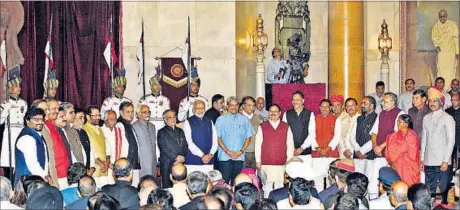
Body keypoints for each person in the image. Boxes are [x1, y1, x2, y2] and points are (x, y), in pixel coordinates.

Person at [421, 86, 456, 204]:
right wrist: (422, 159)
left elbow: (451, 141)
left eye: (435, 100)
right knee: (429, 193)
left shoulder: (448, 118)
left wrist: (446, 160)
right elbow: (424, 140)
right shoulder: (426, 118)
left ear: (441, 101)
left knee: (445, 194)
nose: (432, 103)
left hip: (443, 162)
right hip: (429, 161)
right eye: (430, 101)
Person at [369, 92, 403, 199]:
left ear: (393, 102)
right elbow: (374, 132)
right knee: (374, 178)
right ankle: (374, 201)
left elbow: (396, 134)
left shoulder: (400, 113)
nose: (382, 103)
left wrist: (382, 146)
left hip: (391, 153)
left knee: (389, 179)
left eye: (385, 101)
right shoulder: (381, 114)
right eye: (382, 101)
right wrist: (375, 146)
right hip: (378, 152)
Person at [256, 104, 294, 193]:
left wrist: (289, 160)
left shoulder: (286, 126)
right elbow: (258, 145)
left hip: (280, 162)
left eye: (275, 111)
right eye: (271, 111)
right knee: (266, 187)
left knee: (279, 186)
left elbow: (290, 144)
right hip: (266, 162)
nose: (273, 113)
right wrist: (258, 161)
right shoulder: (262, 126)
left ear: (280, 113)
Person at [216, 97, 255, 183]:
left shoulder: (244, 120)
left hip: (239, 156)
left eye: (236, 105)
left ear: (239, 106)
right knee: (224, 182)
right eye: (231, 105)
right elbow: (217, 138)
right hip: (224, 156)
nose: (233, 107)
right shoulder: (220, 119)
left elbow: (248, 137)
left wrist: (241, 151)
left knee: (237, 182)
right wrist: (227, 151)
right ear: (227, 106)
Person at [0, 73, 27, 177]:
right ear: (9, 89)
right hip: (9, 134)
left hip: (21, 132)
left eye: (19, 86)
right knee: (9, 160)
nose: (19, 88)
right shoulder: (4, 104)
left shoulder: (23, 103)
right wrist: (6, 108)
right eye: (15, 86)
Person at [14, 107, 49, 183]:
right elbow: (33, 165)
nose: (40, 122)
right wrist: (45, 176)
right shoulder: (26, 138)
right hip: (27, 183)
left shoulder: (38, 135)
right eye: (36, 119)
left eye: (42, 119)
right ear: (27, 121)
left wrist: (45, 174)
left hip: (37, 181)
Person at [282, 91, 316, 171]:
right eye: (293, 100)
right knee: (292, 176)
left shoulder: (309, 114)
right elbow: (284, 133)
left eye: (297, 99)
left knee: (305, 177)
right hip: (291, 152)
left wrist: (301, 148)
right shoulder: (287, 114)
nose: (295, 102)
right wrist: (291, 148)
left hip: (305, 152)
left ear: (303, 101)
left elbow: (312, 134)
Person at [312, 99, 341, 191]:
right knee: (317, 180)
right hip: (317, 154)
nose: (324, 109)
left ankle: (330, 201)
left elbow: (337, 136)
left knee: (332, 180)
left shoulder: (336, 119)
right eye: (322, 106)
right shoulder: (313, 119)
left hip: (331, 154)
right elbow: (311, 135)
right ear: (319, 108)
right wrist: (318, 148)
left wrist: (326, 149)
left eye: (327, 107)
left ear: (330, 108)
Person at [183, 100, 218, 174]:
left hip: (208, 159)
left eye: (202, 108)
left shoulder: (209, 121)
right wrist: (202, 155)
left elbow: (215, 139)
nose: (200, 110)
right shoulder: (188, 122)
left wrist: (211, 154)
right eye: (197, 108)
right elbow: (189, 142)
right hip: (193, 160)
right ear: (193, 109)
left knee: (207, 182)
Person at [385, 114, 420, 186]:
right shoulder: (393, 135)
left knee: (408, 188)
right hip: (395, 165)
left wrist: (398, 160)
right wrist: (391, 161)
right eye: (397, 121)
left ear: (406, 124)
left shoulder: (411, 135)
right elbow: (388, 149)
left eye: (400, 122)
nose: (397, 124)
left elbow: (412, 154)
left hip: (408, 168)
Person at [350, 96, 377, 185]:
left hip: (369, 154)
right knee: (357, 181)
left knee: (370, 181)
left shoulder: (377, 118)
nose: (362, 105)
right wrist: (357, 151)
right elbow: (352, 136)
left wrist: (362, 151)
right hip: (358, 155)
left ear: (372, 106)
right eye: (361, 103)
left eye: (365, 103)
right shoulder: (359, 118)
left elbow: (374, 137)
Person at [157, 109, 188, 188]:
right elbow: (164, 148)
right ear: (165, 120)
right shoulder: (161, 132)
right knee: (168, 187)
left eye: (174, 116)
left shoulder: (180, 131)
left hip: (180, 162)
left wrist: (182, 157)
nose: (173, 119)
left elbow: (185, 146)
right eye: (170, 117)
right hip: (167, 163)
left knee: (180, 187)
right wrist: (176, 157)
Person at [46, 99, 71, 189]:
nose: (57, 111)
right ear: (46, 109)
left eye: (58, 108)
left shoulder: (54, 127)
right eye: (54, 108)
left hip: (64, 173)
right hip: (57, 175)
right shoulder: (45, 127)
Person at [116, 102, 141, 187]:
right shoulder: (120, 125)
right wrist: (125, 164)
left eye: (132, 111)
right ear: (121, 112)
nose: (130, 114)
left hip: (134, 163)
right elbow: (120, 147)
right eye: (128, 111)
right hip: (127, 164)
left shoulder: (129, 125)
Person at [83, 106, 109, 187]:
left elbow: (106, 147)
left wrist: (107, 161)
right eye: (95, 115)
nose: (98, 118)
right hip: (94, 170)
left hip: (104, 168)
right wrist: (101, 164)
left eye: (99, 115)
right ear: (87, 116)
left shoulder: (100, 129)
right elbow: (90, 151)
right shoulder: (84, 130)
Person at [432, 9, 459, 85]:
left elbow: (455, 38)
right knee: (441, 69)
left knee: (451, 69)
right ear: (438, 17)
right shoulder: (435, 26)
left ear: (446, 16)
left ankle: (449, 88)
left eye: (444, 16)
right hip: (442, 52)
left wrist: (457, 51)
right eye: (441, 17)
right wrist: (436, 46)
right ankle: (441, 87)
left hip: (451, 52)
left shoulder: (452, 25)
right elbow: (434, 38)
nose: (442, 18)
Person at [132, 104, 157, 178]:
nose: (147, 114)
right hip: (142, 161)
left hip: (152, 160)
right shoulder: (134, 127)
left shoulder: (152, 126)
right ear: (138, 115)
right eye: (144, 112)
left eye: (149, 112)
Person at [100, 110, 123, 184]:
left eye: (115, 118)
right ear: (105, 119)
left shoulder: (119, 131)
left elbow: (124, 147)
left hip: (118, 166)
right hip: (105, 166)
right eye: (111, 119)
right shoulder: (100, 130)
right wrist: (109, 164)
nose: (114, 121)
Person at [241, 96, 261, 170]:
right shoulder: (238, 117)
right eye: (249, 105)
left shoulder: (258, 118)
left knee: (253, 177)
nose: (251, 108)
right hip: (242, 152)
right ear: (243, 106)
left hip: (255, 152)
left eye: (253, 106)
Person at [446, 93, 460, 170]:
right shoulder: (447, 111)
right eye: (452, 100)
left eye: (456, 100)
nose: (454, 101)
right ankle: (450, 178)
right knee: (449, 160)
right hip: (450, 140)